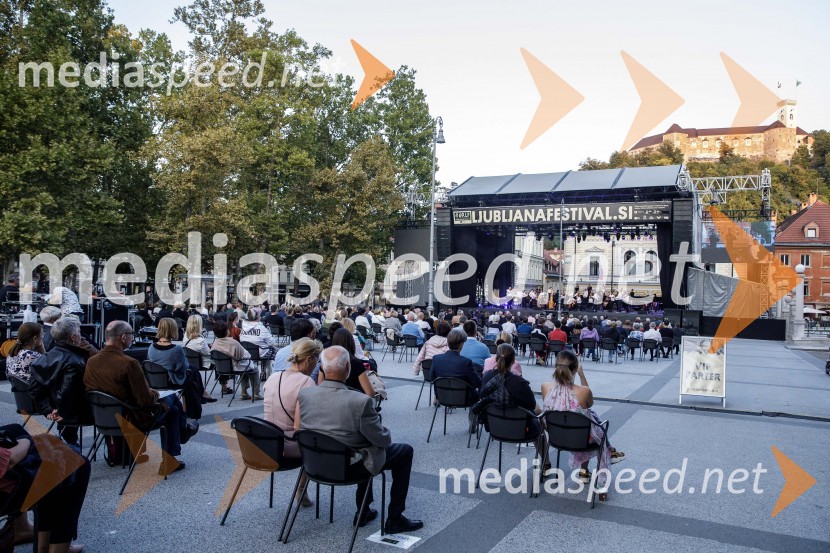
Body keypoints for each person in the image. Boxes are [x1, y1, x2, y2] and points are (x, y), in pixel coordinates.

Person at [297, 346, 424, 533]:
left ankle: (363, 510)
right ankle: (394, 518)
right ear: (348, 368)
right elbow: (382, 439)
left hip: (315, 464)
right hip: (350, 468)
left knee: (361, 445)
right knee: (401, 451)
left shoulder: (305, 394)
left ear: (322, 368)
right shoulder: (360, 401)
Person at [85, 321, 197, 470]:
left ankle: (182, 432)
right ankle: (172, 454)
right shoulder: (129, 363)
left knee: (172, 402)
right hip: (131, 418)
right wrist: (156, 393)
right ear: (123, 337)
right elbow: (145, 399)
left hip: (102, 417)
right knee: (173, 408)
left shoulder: (91, 361)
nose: (133, 338)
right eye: (132, 335)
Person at [541, 350, 626, 500]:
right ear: (574, 369)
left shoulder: (545, 387)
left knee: (585, 420)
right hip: (582, 439)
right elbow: (589, 403)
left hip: (557, 437)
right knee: (594, 426)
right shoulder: (583, 392)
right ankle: (601, 484)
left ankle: (584, 472)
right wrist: (581, 375)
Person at [0, 423, 89, 553]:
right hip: (6, 494)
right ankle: (54, 548)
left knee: (14, 430)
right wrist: (27, 441)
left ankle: (23, 528)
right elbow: (9, 460)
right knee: (77, 466)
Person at [262, 338, 322, 508]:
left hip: (264, 445)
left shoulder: (273, 377)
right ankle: (301, 488)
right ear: (309, 359)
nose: (316, 366)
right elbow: (299, 426)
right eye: (317, 361)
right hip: (287, 448)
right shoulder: (306, 382)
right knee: (318, 442)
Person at [29, 317, 94, 445]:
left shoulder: (43, 358)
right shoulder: (75, 361)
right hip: (75, 412)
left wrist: (48, 409)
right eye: (79, 333)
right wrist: (59, 411)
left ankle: (68, 440)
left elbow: (34, 388)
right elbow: (68, 393)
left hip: (56, 410)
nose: (81, 336)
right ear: (73, 337)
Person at [479, 344, 543, 455]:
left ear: (496, 358)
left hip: (494, 426)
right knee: (538, 413)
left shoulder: (486, 377)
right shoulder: (519, 383)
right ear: (513, 361)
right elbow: (531, 405)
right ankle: (546, 464)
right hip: (520, 429)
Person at [148, 318, 211, 418]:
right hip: (172, 380)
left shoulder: (151, 347)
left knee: (193, 370)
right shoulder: (176, 349)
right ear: (173, 329)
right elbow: (183, 367)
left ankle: (200, 396)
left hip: (157, 380)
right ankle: (200, 396)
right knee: (192, 372)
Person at [210, 320, 261, 400]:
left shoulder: (215, 343)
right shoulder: (233, 343)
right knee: (254, 369)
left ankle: (244, 392)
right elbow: (246, 355)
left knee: (244, 366)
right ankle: (256, 393)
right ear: (227, 331)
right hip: (235, 366)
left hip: (221, 369)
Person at [431, 328, 481, 402]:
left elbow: (432, 378)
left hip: (442, 396)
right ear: (461, 344)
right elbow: (477, 383)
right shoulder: (466, 362)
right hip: (463, 398)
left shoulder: (436, 359)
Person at [321, 328, 375, 396]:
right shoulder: (356, 364)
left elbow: (320, 387)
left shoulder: (326, 362)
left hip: (329, 399)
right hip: (354, 400)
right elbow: (370, 393)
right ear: (351, 342)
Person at [239, 308, 277, 377]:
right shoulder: (261, 328)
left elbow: (241, 340)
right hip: (261, 354)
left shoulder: (243, 328)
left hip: (247, 353)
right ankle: (268, 374)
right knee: (273, 350)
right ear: (257, 317)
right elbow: (271, 342)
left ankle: (263, 373)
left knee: (264, 348)